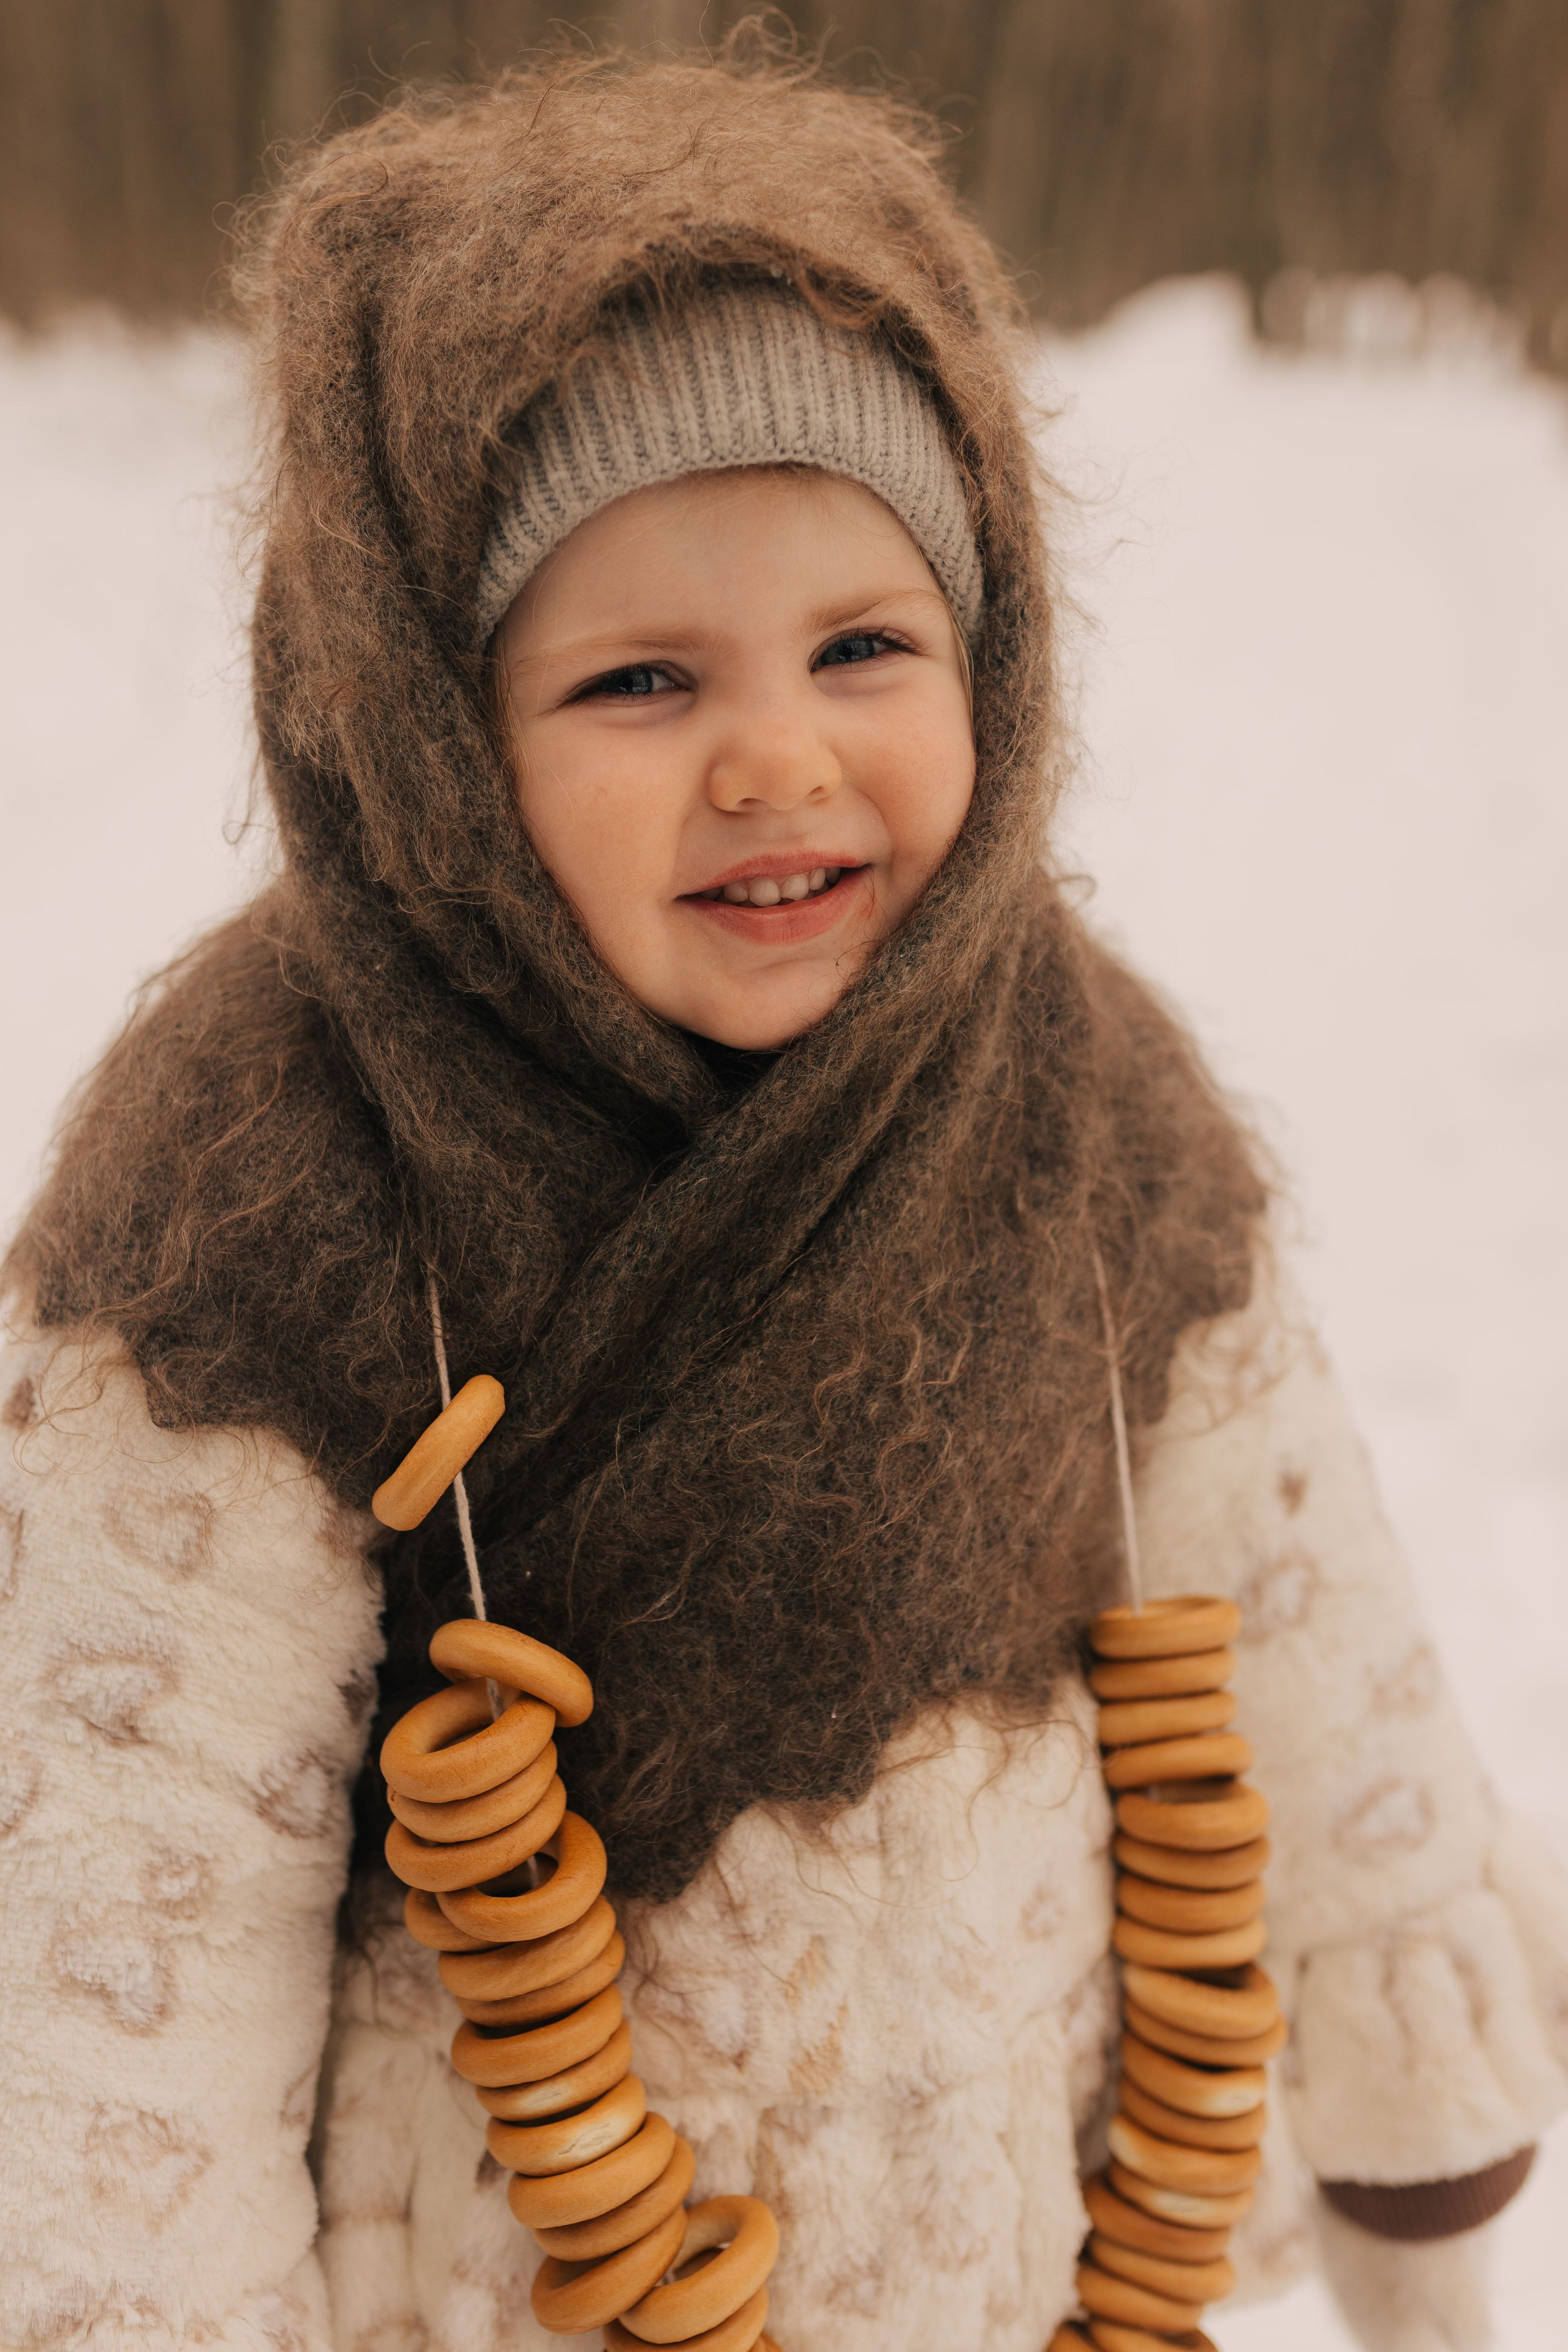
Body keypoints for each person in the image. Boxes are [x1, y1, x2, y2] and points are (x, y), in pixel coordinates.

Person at [2, 44, 1564, 2352]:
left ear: (992, 658)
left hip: (1008, 2264)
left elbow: (1300, 1602)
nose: (777, 756)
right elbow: (128, 1891)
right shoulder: (260, 1188)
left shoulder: (1075, 1100)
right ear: (435, 737)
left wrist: (1421, 2165)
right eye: (641, 678)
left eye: (864, 646)